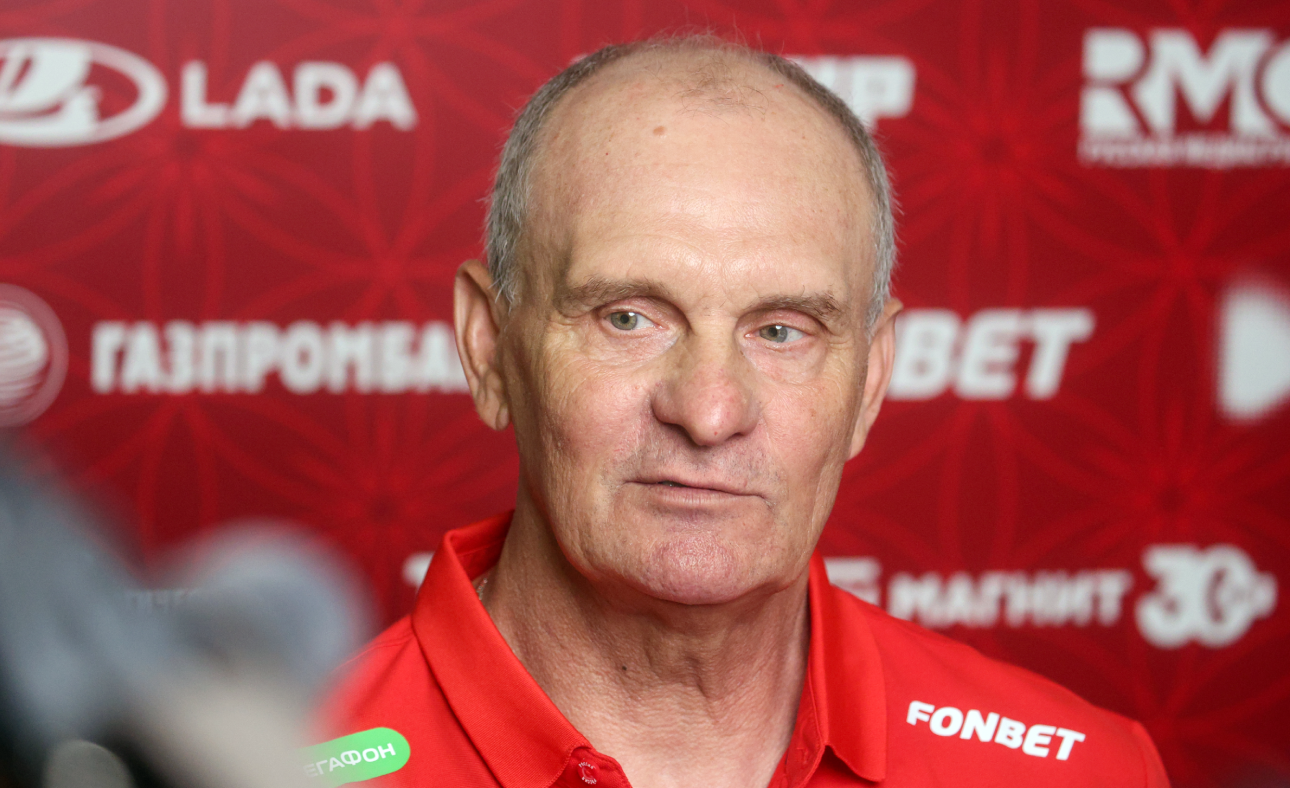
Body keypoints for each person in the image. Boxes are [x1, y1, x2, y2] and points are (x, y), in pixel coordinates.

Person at [317, 35, 1170, 788]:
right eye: (628, 318)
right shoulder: (278, 764)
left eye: (781, 330)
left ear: (871, 380)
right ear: (488, 347)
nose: (710, 410)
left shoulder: (1087, 773)